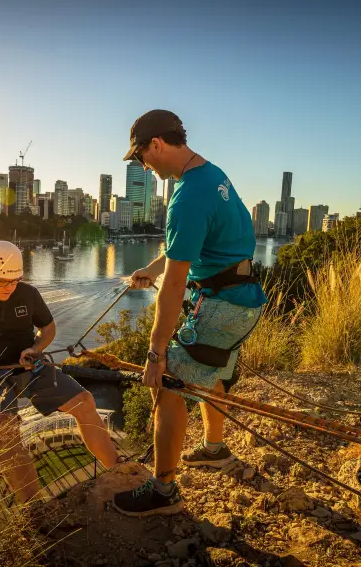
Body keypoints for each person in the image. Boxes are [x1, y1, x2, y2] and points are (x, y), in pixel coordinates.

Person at [112, 110, 267, 517]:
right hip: (244, 301)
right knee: (211, 377)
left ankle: (163, 490)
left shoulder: (187, 196)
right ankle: (214, 449)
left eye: (141, 157)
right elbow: (190, 250)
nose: (143, 166)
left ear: (157, 145)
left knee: (167, 385)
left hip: (220, 306)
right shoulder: (211, 175)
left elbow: (178, 283)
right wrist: (150, 269)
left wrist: (155, 351)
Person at [0, 240, 119, 504]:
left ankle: (118, 474)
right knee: (5, 430)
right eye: (3, 281)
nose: (10, 288)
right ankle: (34, 508)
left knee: (84, 401)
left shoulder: (27, 294)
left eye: (15, 281)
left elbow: (48, 330)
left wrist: (35, 349)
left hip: (29, 366)